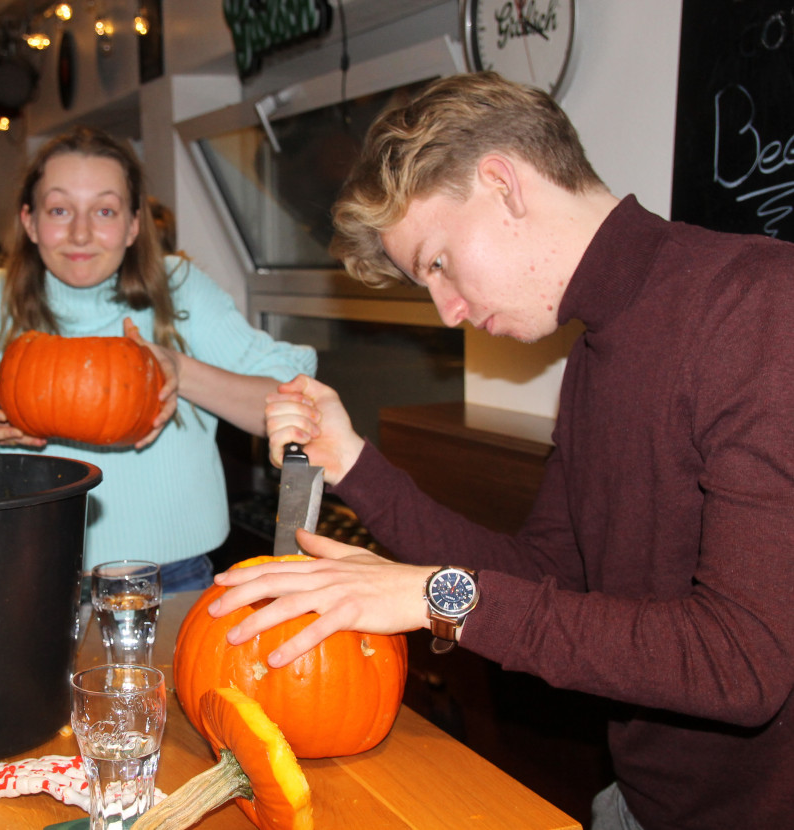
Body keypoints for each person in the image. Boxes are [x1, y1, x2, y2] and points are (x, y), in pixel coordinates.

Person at [209, 72, 794, 830]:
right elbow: (541, 576)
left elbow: (740, 663)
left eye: (437, 263)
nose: (448, 311)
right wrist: (351, 461)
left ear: (501, 183)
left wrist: (432, 596)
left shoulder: (759, 309)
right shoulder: (594, 353)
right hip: (639, 803)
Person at [0, 126, 316, 591]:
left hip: (170, 580)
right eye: (59, 209)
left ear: (134, 224)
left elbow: (290, 399)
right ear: (29, 221)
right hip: (19, 579)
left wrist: (178, 369)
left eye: (105, 210)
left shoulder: (179, 288)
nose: (80, 232)